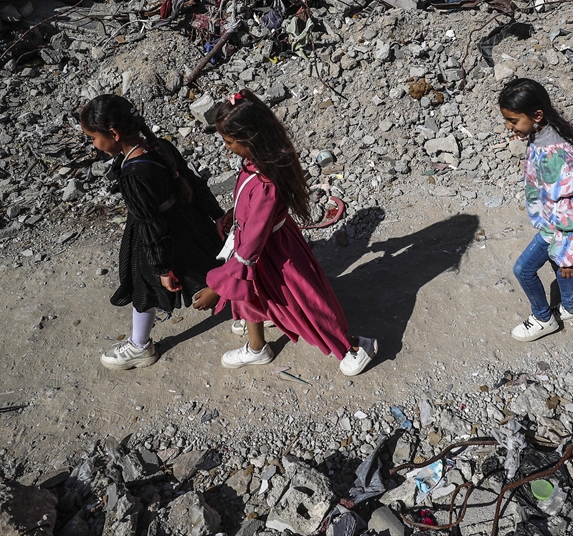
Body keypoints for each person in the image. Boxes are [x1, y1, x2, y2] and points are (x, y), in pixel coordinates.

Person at [200, 90, 376, 376]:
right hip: (259, 247)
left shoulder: (267, 182)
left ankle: (353, 346)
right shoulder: (256, 163)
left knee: (305, 303)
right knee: (251, 296)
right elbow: (250, 207)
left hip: (275, 255)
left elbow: (247, 253)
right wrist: (235, 214)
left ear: (250, 139)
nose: (226, 146)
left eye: (229, 141)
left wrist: (216, 287)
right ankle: (257, 347)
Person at [78, 95, 226, 370]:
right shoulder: (160, 147)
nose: (94, 145)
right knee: (213, 266)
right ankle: (253, 312)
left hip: (160, 238)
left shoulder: (133, 174)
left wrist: (161, 267)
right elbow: (195, 183)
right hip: (190, 221)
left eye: (93, 138)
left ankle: (140, 346)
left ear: (114, 133)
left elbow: (150, 223)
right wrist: (217, 215)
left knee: (143, 286)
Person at [498, 78, 573, 342]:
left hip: (555, 226)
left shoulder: (553, 151)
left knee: (524, 269)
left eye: (513, 120)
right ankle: (570, 308)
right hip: (554, 222)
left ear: (537, 115)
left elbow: (570, 205)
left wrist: (569, 249)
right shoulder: (558, 130)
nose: (509, 127)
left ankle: (543, 318)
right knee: (559, 266)